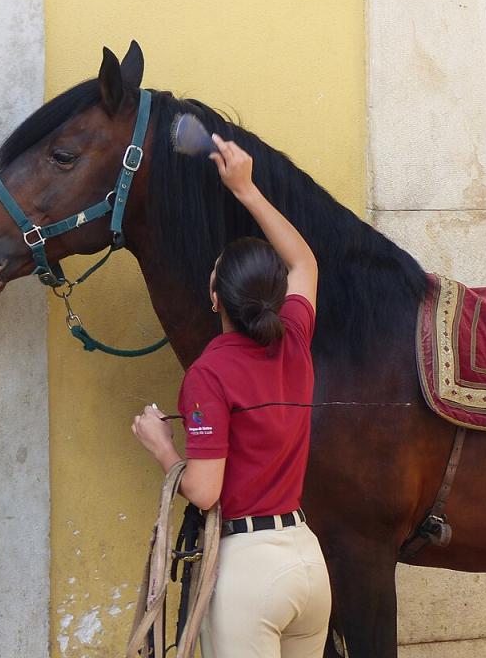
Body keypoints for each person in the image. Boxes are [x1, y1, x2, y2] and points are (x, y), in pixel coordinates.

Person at [131, 133, 331, 657]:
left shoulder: (209, 374)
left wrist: (161, 447)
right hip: (307, 561)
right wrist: (246, 189)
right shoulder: (294, 337)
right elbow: (304, 263)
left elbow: (204, 491)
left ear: (214, 295)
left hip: (249, 571)